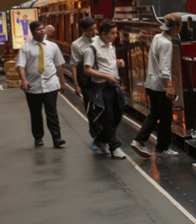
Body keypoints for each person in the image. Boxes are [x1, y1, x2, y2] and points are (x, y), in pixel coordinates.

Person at [131, 14, 182, 158]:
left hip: (151, 83)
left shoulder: (157, 37)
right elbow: (165, 68)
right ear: (177, 26)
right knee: (163, 117)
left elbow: (150, 57)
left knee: (159, 114)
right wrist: (170, 87)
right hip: (160, 86)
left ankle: (158, 146)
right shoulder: (166, 43)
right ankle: (143, 142)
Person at [16, 20, 66, 147]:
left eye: (43, 28)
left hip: (51, 84)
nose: (42, 31)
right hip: (33, 86)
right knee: (36, 113)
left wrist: (62, 82)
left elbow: (59, 65)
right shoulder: (25, 48)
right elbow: (20, 65)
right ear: (33, 32)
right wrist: (24, 80)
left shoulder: (53, 47)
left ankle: (57, 138)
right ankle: (38, 137)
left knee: (52, 113)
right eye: (39, 29)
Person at [83, 19, 126, 159]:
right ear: (103, 33)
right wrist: (106, 76)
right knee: (108, 118)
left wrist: (117, 64)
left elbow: (108, 64)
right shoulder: (92, 49)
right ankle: (115, 147)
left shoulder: (111, 47)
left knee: (118, 114)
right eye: (113, 33)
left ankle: (101, 139)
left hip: (114, 85)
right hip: (101, 87)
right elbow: (87, 70)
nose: (116, 36)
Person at [70, 17, 101, 152]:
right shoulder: (76, 45)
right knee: (91, 109)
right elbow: (74, 65)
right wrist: (76, 84)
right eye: (91, 30)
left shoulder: (100, 40)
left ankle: (104, 135)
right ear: (83, 30)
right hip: (87, 82)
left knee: (104, 108)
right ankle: (95, 136)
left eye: (95, 29)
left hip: (101, 80)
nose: (94, 32)